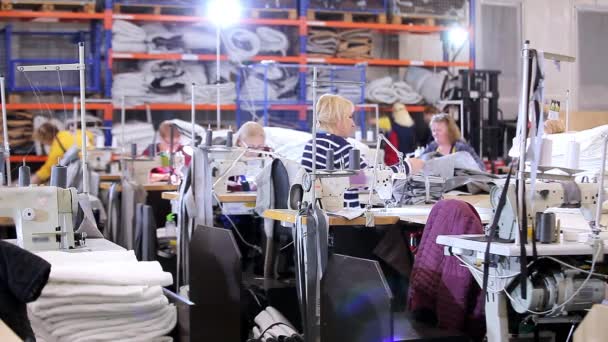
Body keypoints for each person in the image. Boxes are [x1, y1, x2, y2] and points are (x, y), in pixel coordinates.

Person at [302, 94, 425, 208]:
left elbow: (355, 179)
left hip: (322, 215)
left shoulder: (311, 144)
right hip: (343, 219)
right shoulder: (340, 146)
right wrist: (407, 167)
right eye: (350, 117)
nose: (353, 123)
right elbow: (367, 179)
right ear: (337, 120)